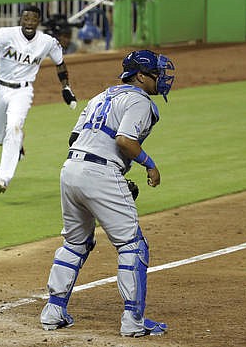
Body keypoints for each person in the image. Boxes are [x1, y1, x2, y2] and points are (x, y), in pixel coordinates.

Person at [40, 50, 175, 337]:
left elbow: (74, 138)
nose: (161, 79)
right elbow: (124, 140)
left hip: (71, 170)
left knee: (75, 243)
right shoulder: (139, 100)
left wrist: (108, 180)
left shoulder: (101, 96)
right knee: (133, 246)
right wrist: (150, 166)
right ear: (140, 76)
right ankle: (133, 322)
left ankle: (53, 311)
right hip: (99, 173)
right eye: (156, 74)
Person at [0, 4, 77, 193]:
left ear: (39, 22)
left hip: (23, 91)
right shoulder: (6, 34)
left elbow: (60, 63)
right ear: (20, 19)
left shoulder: (47, 42)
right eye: (26, 19)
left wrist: (66, 87)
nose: (29, 23)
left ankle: (2, 178)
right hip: (0, 87)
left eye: (33, 19)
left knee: (14, 128)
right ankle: (17, 142)